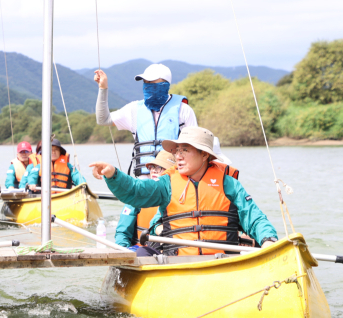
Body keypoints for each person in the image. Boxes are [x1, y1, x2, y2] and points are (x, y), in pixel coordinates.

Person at [90, 126, 278, 256]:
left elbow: (254, 219)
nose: (177, 156)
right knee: (142, 253)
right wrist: (114, 174)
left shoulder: (230, 185)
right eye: (176, 150)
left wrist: (268, 240)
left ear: (204, 154)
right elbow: (136, 191)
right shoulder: (167, 184)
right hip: (178, 262)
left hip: (223, 262)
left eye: (184, 150)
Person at [94, 63, 197, 177]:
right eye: (145, 82)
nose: (148, 86)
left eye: (152, 82)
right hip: (143, 184)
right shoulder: (133, 109)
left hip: (174, 180)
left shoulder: (184, 110)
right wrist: (103, 88)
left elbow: (195, 147)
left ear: (165, 84)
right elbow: (103, 119)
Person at [115, 150, 175, 255]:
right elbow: (122, 233)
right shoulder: (138, 197)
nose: (154, 171)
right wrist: (123, 252)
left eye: (160, 168)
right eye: (152, 167)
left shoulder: (179, 198)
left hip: (168, 252)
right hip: (141, 251)